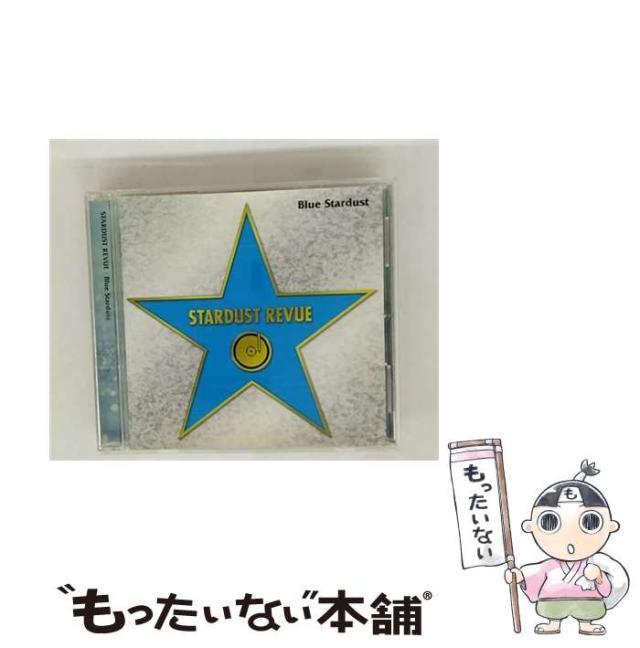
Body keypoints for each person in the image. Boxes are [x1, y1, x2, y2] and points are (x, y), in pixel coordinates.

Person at [505, 460, 628, 635]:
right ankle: (553, 623)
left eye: (590, 522)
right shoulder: (549, 566)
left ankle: (586, 623)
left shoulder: (594, 563)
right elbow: (535, 575)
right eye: (550, 522)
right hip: (552, 602)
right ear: (531, 526)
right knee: (551, 609)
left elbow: (605, 589)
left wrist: (599, 577)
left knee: (589, 609)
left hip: (588, 603)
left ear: (610, 526)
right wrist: (519, 576)